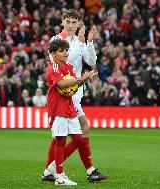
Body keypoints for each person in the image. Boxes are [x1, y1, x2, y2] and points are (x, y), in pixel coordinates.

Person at [42, 9, 107, 182]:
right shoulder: (55, 40)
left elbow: (92, 62)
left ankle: (50, 170)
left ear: (78, 24)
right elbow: (58, 64)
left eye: (74, 22)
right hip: (64, 91)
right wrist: (78, 44)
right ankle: (89, 170)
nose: (70, 25)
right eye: (68, 21)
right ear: (63, 22)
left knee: (61, 135)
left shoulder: (80, 43)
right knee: (81, 129)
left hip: (76, 91)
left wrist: (89, 42)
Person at [45, 39, 98, 185]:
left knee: (78, 138)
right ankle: (60, 176)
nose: (66, 53)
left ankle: (53, 166)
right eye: (61, 51)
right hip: (57, 108)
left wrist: (85, 79)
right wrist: (80, 79)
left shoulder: (69, 66)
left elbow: (73, 86)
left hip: (69, 106)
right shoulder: (53, 67)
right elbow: (62, 84)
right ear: (53, 54)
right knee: (60, 140)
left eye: (66, 50)